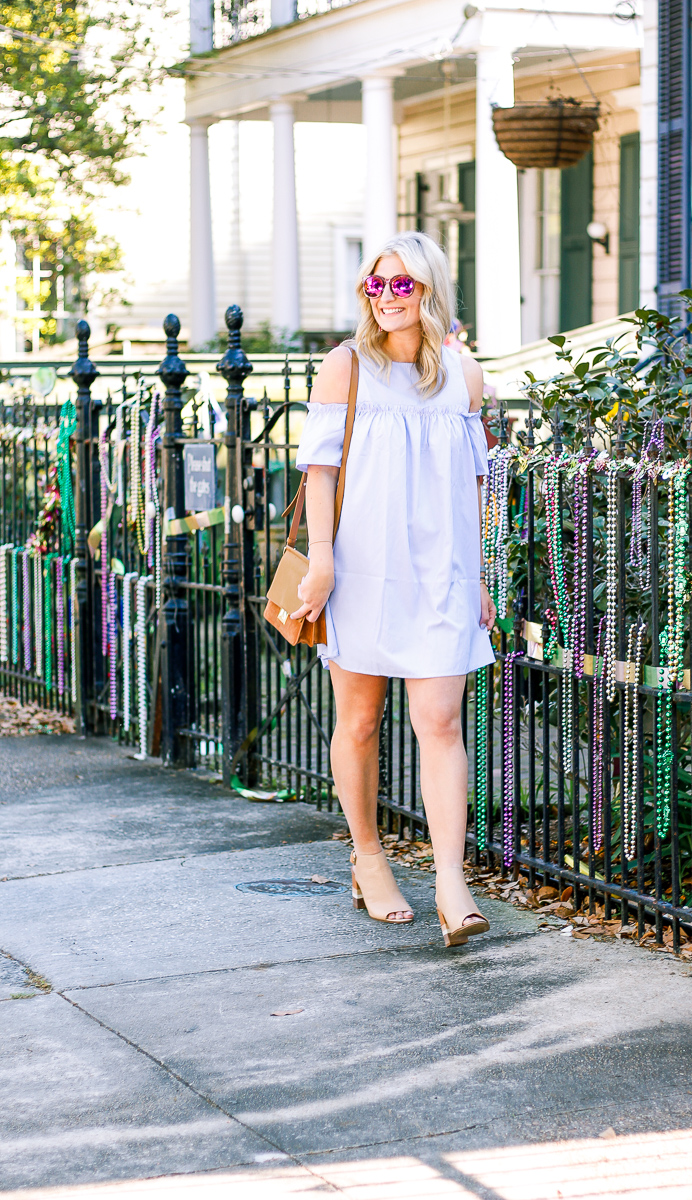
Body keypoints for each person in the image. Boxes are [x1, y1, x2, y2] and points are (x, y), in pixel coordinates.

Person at [291, 231, 496, 948]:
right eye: (373, 287)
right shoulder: (344, 368)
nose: (384, 298)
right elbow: (318, 473)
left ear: (431, 290)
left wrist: (481, 582)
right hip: (361, 570)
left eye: (400, 286)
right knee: (361, 721)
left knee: (438, 722)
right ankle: (369, 857)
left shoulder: (465, 378)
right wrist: (320, 563)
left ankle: (449, 878)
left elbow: (477, 489)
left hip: (440, 575)